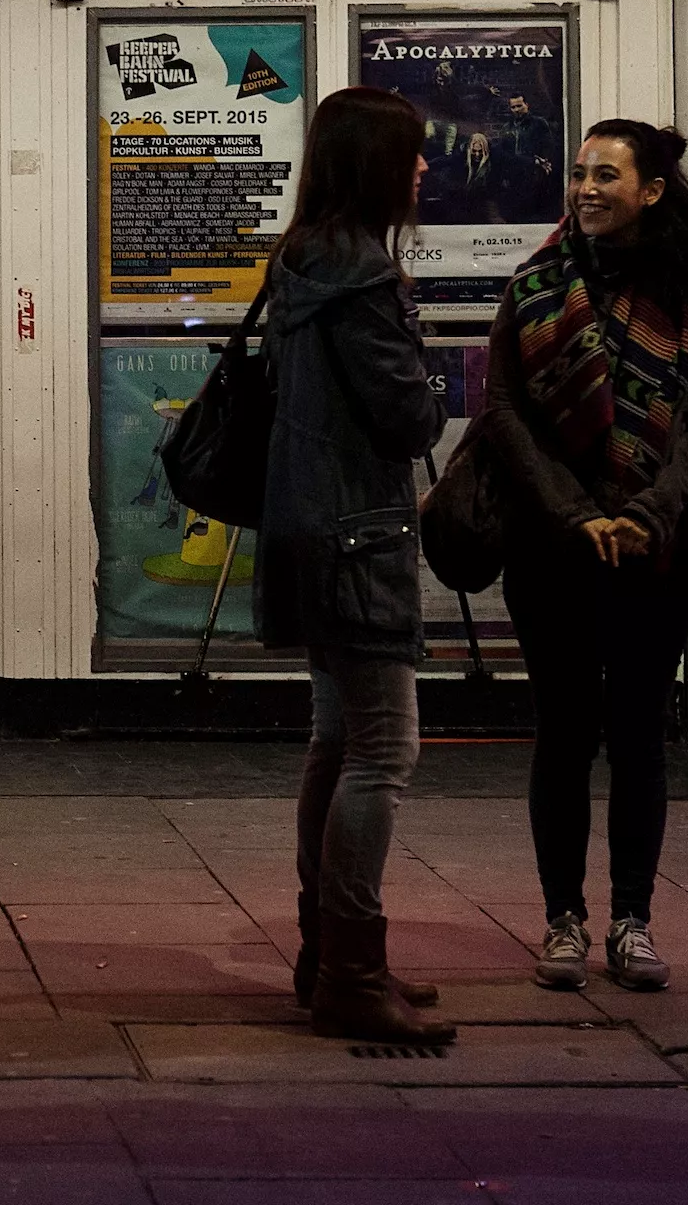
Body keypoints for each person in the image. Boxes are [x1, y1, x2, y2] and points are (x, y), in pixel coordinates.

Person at [484, 120, 688, 996]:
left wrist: (651, 511)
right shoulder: (537, 285)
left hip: (656, 551)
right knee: (563, 735)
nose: (586, 189)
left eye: (607, 175)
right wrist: (576, 514)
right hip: (554, 549)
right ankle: (562, 921)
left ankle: (632, 921)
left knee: (636, 735)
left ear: (651, 191)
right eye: (581, 174)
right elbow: (503, 414)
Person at [255, 85, 454, 1046]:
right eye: (411, 154)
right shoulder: (366, 279)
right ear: (377, 165)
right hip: (358, 538)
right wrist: (436, 380)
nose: (424, 169)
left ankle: (322, 953)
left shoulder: (300, 263)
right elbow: (410, 418)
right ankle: (349, 970)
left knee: (334, 743)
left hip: (304, 526)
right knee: (385, 751)